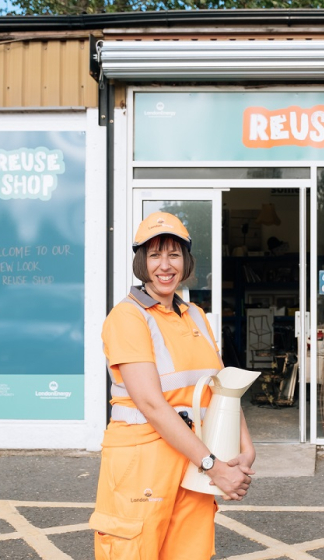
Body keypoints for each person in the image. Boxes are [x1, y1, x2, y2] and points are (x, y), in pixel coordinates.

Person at [89, 212, 255, 559]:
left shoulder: (194, 314)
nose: (165, 266)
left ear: (187, 261)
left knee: (189, 552)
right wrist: (214, 466)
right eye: (154, 255)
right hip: (143, 461)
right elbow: (151, 404)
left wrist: (245, 447)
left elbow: (223, 385)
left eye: (174, 255)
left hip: (192, 458)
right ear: (141, 262)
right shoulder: (128, 316)